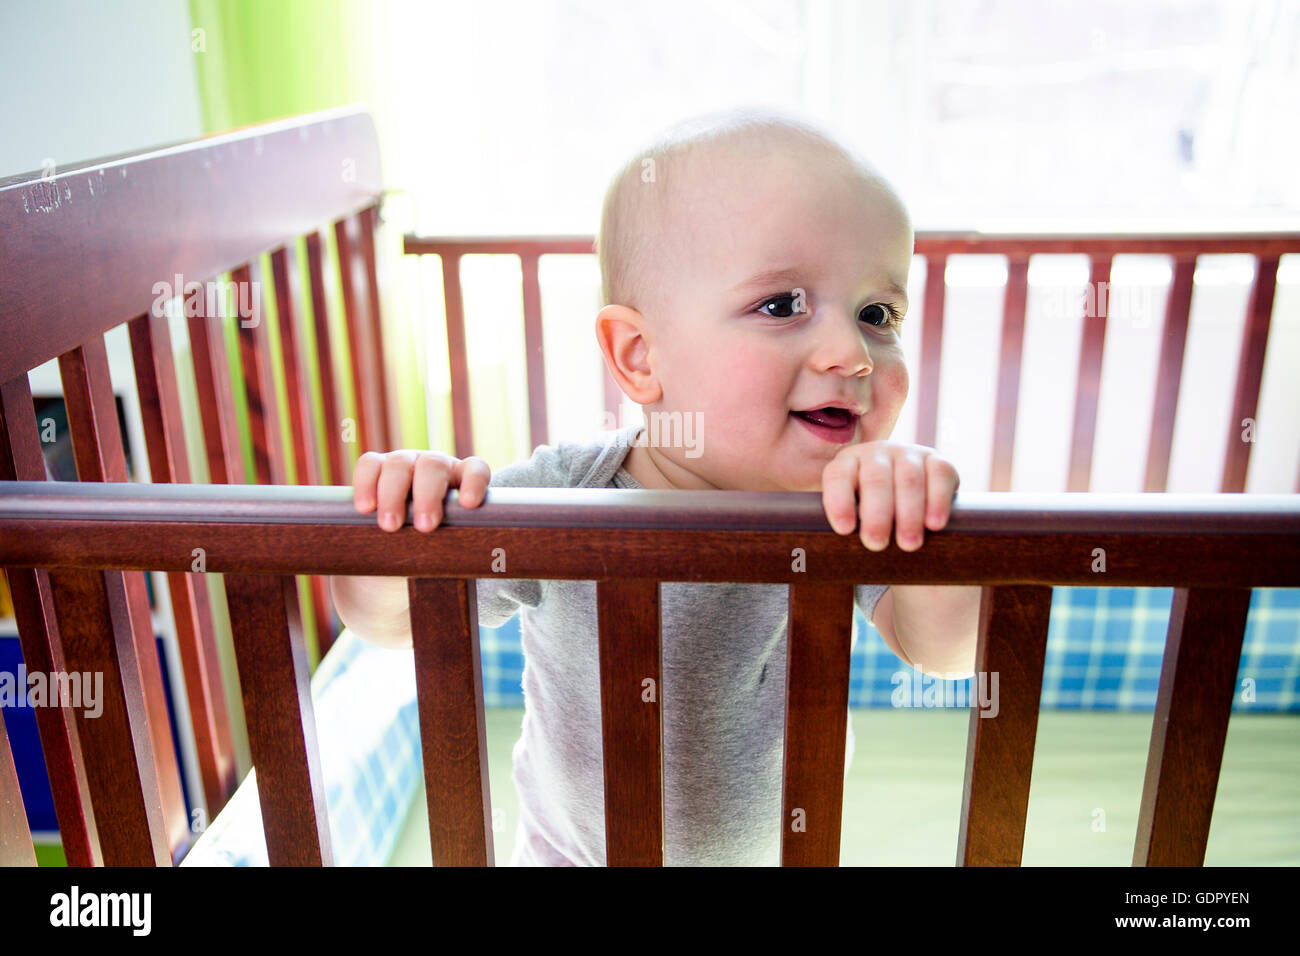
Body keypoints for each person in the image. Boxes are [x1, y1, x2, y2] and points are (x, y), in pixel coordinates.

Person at [329, 107, 982, 865]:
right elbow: (389, 621)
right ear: (640, 355)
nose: (852, 352)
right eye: (780, 305)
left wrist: (931, 524)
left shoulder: (847, 507)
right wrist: (400, 526)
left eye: (878, 313)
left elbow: (944, 652)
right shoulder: (567, 494)